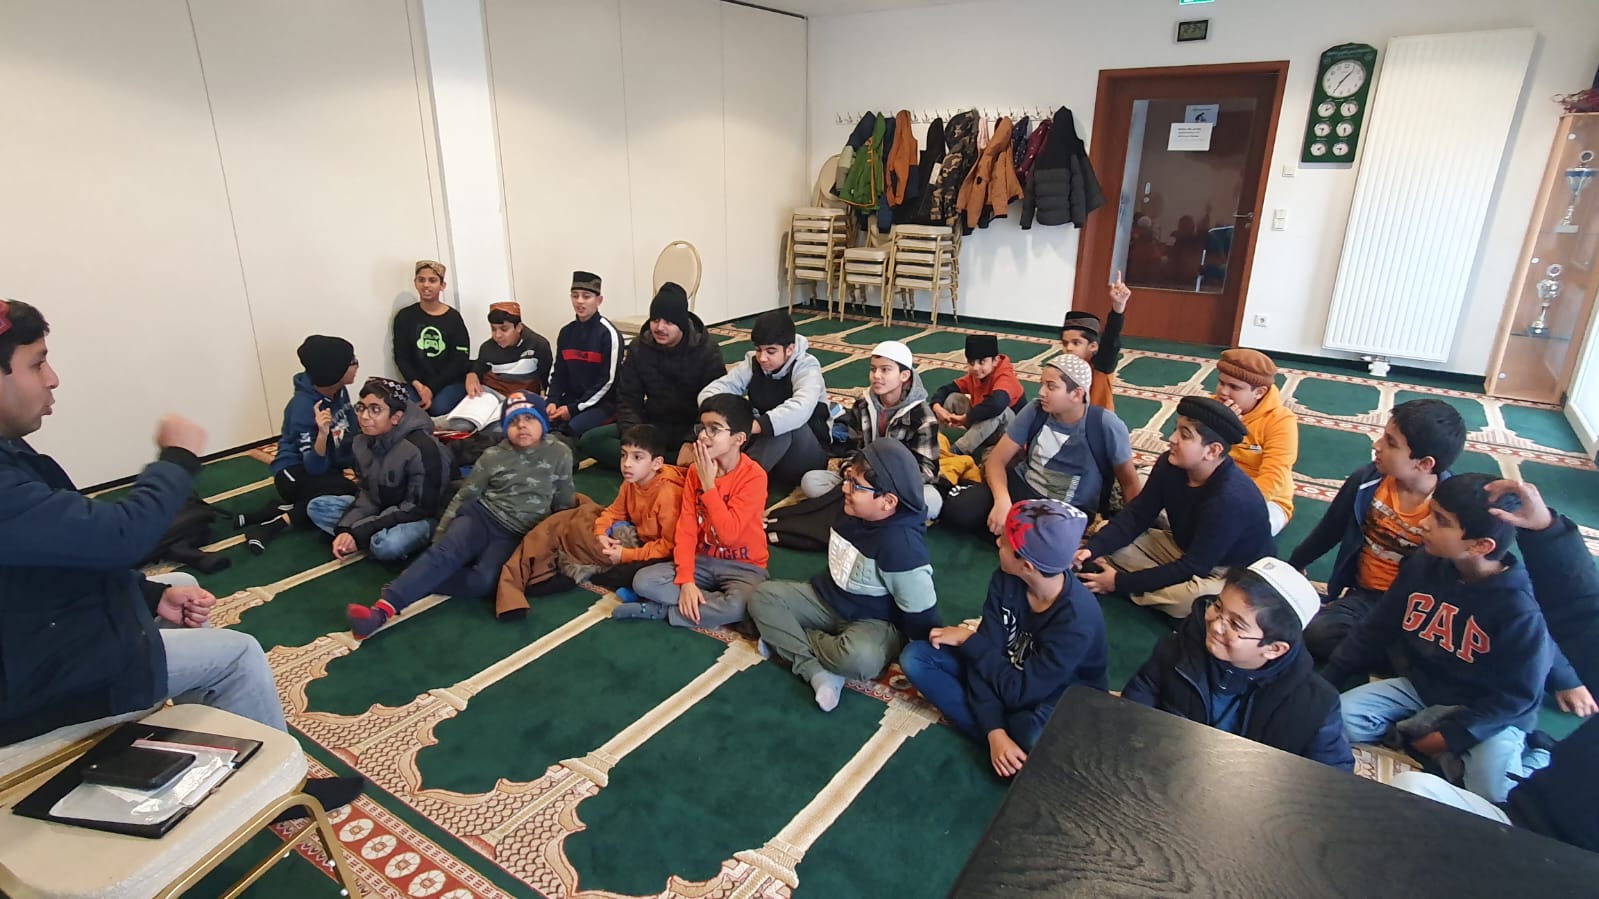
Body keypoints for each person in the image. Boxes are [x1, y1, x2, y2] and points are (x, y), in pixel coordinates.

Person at [0, 298, 361, 813]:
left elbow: (56, 559)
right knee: (237, 657)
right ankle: (282, 795)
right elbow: (119, 539)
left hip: (35, 635)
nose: (53, 378)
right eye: (37, 364)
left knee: (182, 588)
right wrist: (176, 459)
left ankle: (212, 765)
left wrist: (149, 597)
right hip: (35, 679)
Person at [1319, 473, 1557, 803]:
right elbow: (1378, 625)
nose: (1424, 524)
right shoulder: (1424, 563)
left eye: (1441, 521)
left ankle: (1538, 754)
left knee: (1493, 793)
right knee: (1338, 720)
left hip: (1487, 711)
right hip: (1424, 686)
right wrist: (1330, 677)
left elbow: (1516, 699)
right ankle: (1428, 739)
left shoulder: (1521, 609)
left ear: (1480, 545)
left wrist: (1450, 736)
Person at [1391, 480, 1599, 851]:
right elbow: (1582, 615)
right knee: (1409, 790)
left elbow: (1517, 694)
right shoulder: (1433, 567)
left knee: (1487, 785)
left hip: (1565, 862)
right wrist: (1546, 530)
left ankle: (1529, 754)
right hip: (1524, 819)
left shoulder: (1514, 604)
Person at [899, 499, 1106, 777]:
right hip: (1005, 675)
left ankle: (1008, 745)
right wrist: (994, 731)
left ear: (1027, 566)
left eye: (1005, 542)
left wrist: (969, 642)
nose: (997, 542)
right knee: (917, 658)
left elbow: (1019, 691)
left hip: (1054, 697)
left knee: (1033, 736)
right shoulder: (1006, 580)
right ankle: (1002, 746)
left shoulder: (1078, 619)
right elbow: (984, 657)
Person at [345, 392, 574, 638]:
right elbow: (465, 495)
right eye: (514, 421)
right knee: (444, 555)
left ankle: (417, 577)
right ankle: (381, 610)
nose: (522, 426)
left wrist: (562, 542)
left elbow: (563, 497)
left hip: (515, 533)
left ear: (543, 422)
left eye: (529, 418)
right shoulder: (494, 456)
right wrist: (440, 538)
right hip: (480, 516)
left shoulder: (559, 453)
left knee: (484, 582)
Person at [751, 440, 940, 712]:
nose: (845, 488)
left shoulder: (902, 545)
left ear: (887, 502)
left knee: (859, 659)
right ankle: (815, 670)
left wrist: (921, 648)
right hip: (827, 598)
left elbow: (921, 609)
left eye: (856, 486)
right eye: (848, 478)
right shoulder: (851, 509)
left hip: (873, 620)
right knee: (762, 598)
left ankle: (790, 639)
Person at [1121, 559, 1353, 769]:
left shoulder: (1316, 706)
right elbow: (1135, 705)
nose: (1216, 625)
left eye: (1236, 625)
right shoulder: (1179, 646)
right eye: (1217, 607)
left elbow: (1331, 779)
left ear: (1274, 649)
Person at [1289, 399, 1464, 663]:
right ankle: (1392, 653)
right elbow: (1329, 530)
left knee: (1432, 652)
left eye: (1391, 443)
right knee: (1317, 634)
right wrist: (1294, 566)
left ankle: (1391, 650)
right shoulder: (1366, 481)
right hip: (1366, 598)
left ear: (1425, 463)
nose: (1377, 445)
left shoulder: (1452, 510)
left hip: (1417, 608)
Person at [1076, 396, 1274, 617]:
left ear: (1212, 451)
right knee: (1105, 533)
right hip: (1182, 548)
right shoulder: (1169, 464)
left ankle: (1123, 582)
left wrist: (1119, 583)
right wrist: (1091, 549)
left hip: (1229, 572)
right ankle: (1137, 583)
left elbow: (1194, 566)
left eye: (1185, 435)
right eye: (1175, 430)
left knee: (1189, 601)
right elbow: (1137, 515)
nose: (1171, 439)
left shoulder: (1230, 498)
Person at [943, 354, 1139, 535]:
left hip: (1067, 510)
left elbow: (1129, 482)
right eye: (1042, 384)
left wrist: (1130, 527)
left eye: (1051, 387)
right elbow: (996, 460)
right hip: (1023, 487)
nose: (1041, 392)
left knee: (1049, 538)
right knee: (958, 508)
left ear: (1077, 394)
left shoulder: (1105, 425)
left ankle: (1014, 534)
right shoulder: (1036, 410)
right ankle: (1016, 534)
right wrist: (1002, 501)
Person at [497, 424, 686, 610]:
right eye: (623, 455)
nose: (627, 463)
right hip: (636, 536)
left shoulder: (668, 494)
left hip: (661, 553)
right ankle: (567, 567)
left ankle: (577, 573)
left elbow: (669, 546)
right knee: (583, 526)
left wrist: (625, 555)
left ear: (656, 463)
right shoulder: (632, 481)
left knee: (626, 574)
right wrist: (601, 533)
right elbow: (614, 512)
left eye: (637, 457)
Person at [620, 395, 769, 627]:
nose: (702, 436)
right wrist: (687, 580)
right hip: (702, 560)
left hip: (744, 565)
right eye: (702, 427)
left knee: (743, 604)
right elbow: (687, 528)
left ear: (738, 438)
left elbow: (729, 535)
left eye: (714, 429)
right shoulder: (694, 471)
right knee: (644, 581)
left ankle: (665, 611)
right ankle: (704, 607)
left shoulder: (754, 476)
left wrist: (709, 486)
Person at [304, 377, 451, 562]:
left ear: (396, 417)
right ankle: (365, 537)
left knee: (387, 545)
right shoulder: (361, 442)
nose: (364, 416)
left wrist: (360, 531)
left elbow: (420, 508)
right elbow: (367, 493)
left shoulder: (421, 448)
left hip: (422, 516)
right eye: (361, 408)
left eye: (375, 410)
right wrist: (346, 528)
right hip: (383, 507)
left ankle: (368, 538)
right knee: (318, 507)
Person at [241, 335, 359, 554]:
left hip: (327, 471)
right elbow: (314, 467)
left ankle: (276, 510)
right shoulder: (302, 407)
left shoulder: (339, 391)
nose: (357, 366)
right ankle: (271, 526)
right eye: (352, 362)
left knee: (354, 491)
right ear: (334, 371)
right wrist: (322, 434)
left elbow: (353, 432)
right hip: (293, 474)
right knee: (348, 492)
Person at [798, 340, 942, 518]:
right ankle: (876, 511)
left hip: (898, 487)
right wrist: (850, 469)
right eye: (873, 369)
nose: (876, 376)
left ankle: (859, 507)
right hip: (861, 481)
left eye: (885, 370)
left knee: (931, 502)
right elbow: (852, 449)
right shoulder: (863, 404)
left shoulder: (923, 417)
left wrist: (882, 480)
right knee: (811, 481)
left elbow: (928, 470)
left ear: (904, 376)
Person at [698, 310, 828, 489]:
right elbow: (712, 392)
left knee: (783, 426)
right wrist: (722, 418)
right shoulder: (753, 363)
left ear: (790, 349)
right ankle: (721, 470)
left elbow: (801, 408)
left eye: (771, 351)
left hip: (806, 454)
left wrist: (752, 426)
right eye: (759, 350)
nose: (763, 358)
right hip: (768, 449)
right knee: (726, 420)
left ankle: (738, 482)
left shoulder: (807, 367)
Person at [614, 282, 727, 463]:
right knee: (594, 440)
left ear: (681, 324)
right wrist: (635, 437)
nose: (659, 327)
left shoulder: (706, 350)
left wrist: (692, 439)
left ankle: (653, 462)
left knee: (726, 446)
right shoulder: (639, 348)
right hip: (653, 426)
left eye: (668, 322)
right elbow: (628, 398)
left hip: (693, 429)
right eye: (655, 320)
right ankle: (663, 462)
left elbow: (716, 404)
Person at [1213, 348, 1298, 536]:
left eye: (1234, 387)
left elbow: (1274, 475)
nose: (1223, 392)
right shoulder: (1211, 406)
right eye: (1221, 383)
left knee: (1237, 529)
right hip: (1213, 485)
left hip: (1265, 499)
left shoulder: (1281, 421)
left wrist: (1234, 505)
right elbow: (1192, 453)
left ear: (1259, 392)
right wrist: (1221, 423)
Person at [433, 301, 552, 434]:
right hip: (490, 395)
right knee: (462, 424)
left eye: (504, 329)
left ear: (518, 327)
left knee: (498, 429)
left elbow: (546, 380)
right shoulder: (487, 347)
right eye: (493, 329)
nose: (497, 335)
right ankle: (430, 423)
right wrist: (471, 374)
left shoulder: (538, 345)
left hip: (519, 398)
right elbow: (478, 368)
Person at [546, 270, 621, 441]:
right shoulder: (566, 332)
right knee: (539, 421)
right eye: (575, 296)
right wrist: (552, 401)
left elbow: (608, 382)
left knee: (571, 429)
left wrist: (573, 409)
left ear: (599, 300)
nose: (580, 301)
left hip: (601, 404)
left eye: (586, 296)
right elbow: (558, 373)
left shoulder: (608, 334)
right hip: (571, 401)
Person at [392, 260, 472, 413]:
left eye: (432, 280)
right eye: (421, 280)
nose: (426, 285)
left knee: (438, 408)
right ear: (415, 283)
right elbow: (401, 357)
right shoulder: (405, 316)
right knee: (404, 407)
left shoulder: (453, 318)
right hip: (417, 385)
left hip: (448, 383)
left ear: (442, 285)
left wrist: (431, 388)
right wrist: (419, 386)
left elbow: (460, 360)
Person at [930, 334, 1027, 455]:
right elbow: (945, 389)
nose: (975, 368)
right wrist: (936, 406)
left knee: (997, 410)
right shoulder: (975, 376)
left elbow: (997, 404)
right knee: (953, 397)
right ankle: (931, 439)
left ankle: (957, 451)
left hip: (1008, 436)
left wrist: (967, 417)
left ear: (995, 361)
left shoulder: (1005, 377)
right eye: (971, 362)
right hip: (984, 428)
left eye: (982, 362)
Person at [1058, 273, 1130, 411]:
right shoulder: (1061, 367)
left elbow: (1111, 342)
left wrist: (1118, 309)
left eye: (1076, 343)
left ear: (1093, 346)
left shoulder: (1101, 366)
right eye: (1065, 343)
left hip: (1098, 421)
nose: (1069, 348)